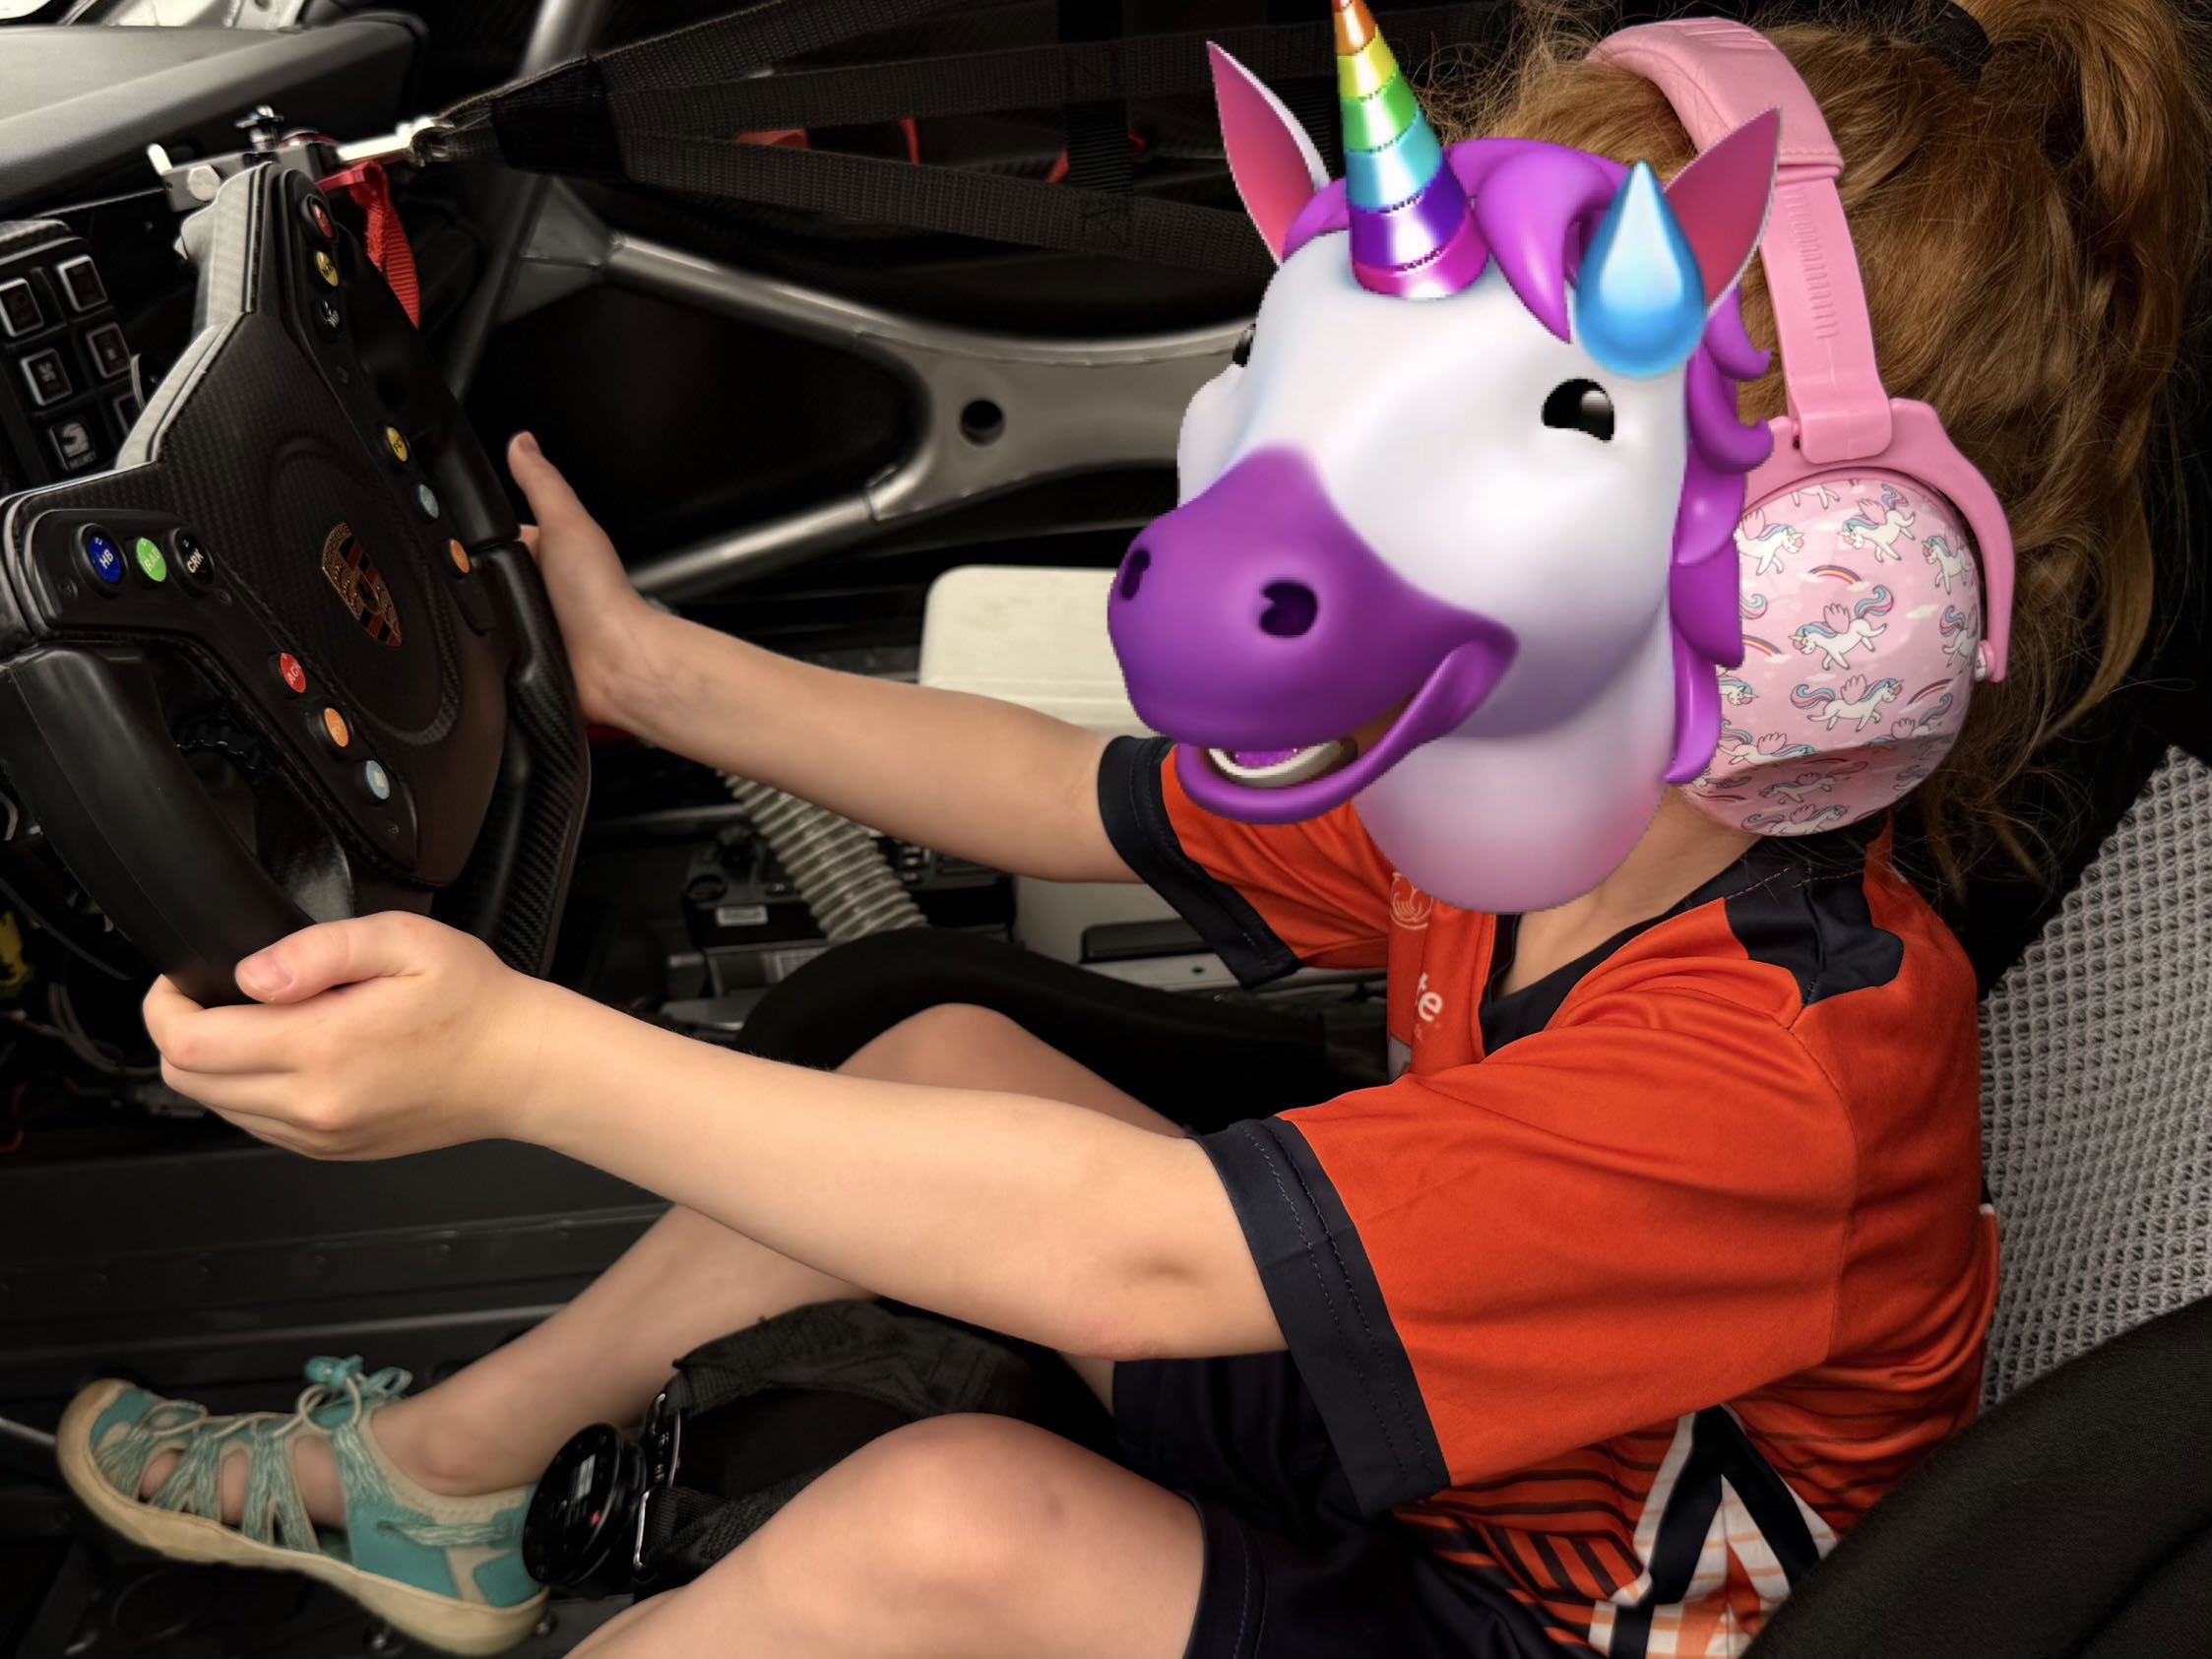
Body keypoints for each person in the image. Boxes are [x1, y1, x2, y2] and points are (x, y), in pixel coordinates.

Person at [54, 2, 2207, 1656]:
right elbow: (1064, 796)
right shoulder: (1506, 813)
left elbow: (1138, 1254)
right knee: (942, 1064)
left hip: (1555, 1630)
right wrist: (659, 675)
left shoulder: (1784, 1079)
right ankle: (448, 1478)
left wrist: (523, 1057)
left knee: (948, 1524)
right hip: (1449, 1459)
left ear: (1831, 591)